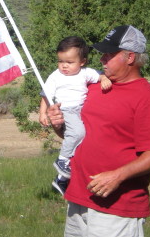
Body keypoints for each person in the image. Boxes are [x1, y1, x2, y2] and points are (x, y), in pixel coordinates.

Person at [47, 25, 150, 237]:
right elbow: (76, 135)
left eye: (109, 54)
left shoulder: (149, 100)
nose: (102, 59)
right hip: (78, 196)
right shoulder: (92, 88)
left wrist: (117, 176)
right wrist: (58, 125)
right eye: (103, 54)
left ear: (130, 57)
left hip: (116, 207)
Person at [39, 36, 112, 195]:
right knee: (78, 133)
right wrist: (42, 112)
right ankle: (62, 160)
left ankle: (61, 179)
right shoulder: (56, 76)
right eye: (60, 61)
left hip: (80, 110)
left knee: (82, 144)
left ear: (82, 61)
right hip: (66, 109)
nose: (64, 66)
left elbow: (100, 75)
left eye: (69, 62)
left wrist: (104, 78)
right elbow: (46, 94)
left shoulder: (86, 73)